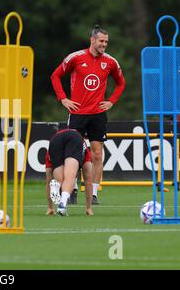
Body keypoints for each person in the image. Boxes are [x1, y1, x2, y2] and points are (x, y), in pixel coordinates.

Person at [50, 24, 126, 204]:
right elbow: (55, 76)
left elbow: (121, 83)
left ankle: (94, 194)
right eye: (101, 41)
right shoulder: (75, 58)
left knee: (97, 154)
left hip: (98, 114)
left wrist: (111, 101)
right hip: (77, 113)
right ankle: (72, 188)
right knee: (73, 153)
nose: (104, 45)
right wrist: (63, 99)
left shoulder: (111, 62)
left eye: (106, 42)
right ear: (92, 40)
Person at [46, 129, 93, 216]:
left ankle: (57, 185)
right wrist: (88, 208)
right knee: (70, 177)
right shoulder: (85, 151)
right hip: (75, 137)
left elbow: (48, 179)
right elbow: (88, 181)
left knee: (59, 180)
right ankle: (62, 205)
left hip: (55, 140)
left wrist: (50, 208)